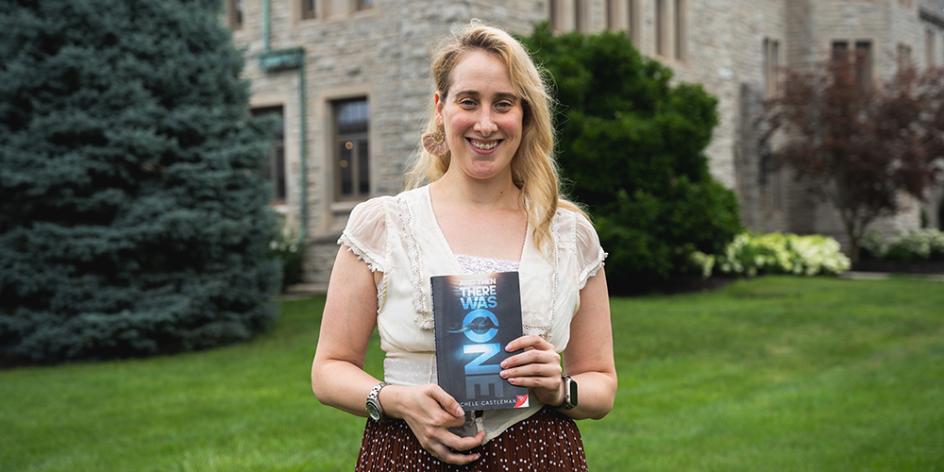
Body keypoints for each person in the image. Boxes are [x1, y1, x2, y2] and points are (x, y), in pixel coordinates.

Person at [310, 23, 616, 471]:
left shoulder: (568, 234)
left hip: (538, 453)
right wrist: (396, 401)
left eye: (504, 104)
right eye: (469, 101)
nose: (486, 123)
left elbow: (602, 383)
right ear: (440, 108)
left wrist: (561, 388)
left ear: (526, 116)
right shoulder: (384, 224)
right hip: (405, 454)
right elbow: (328, 369)